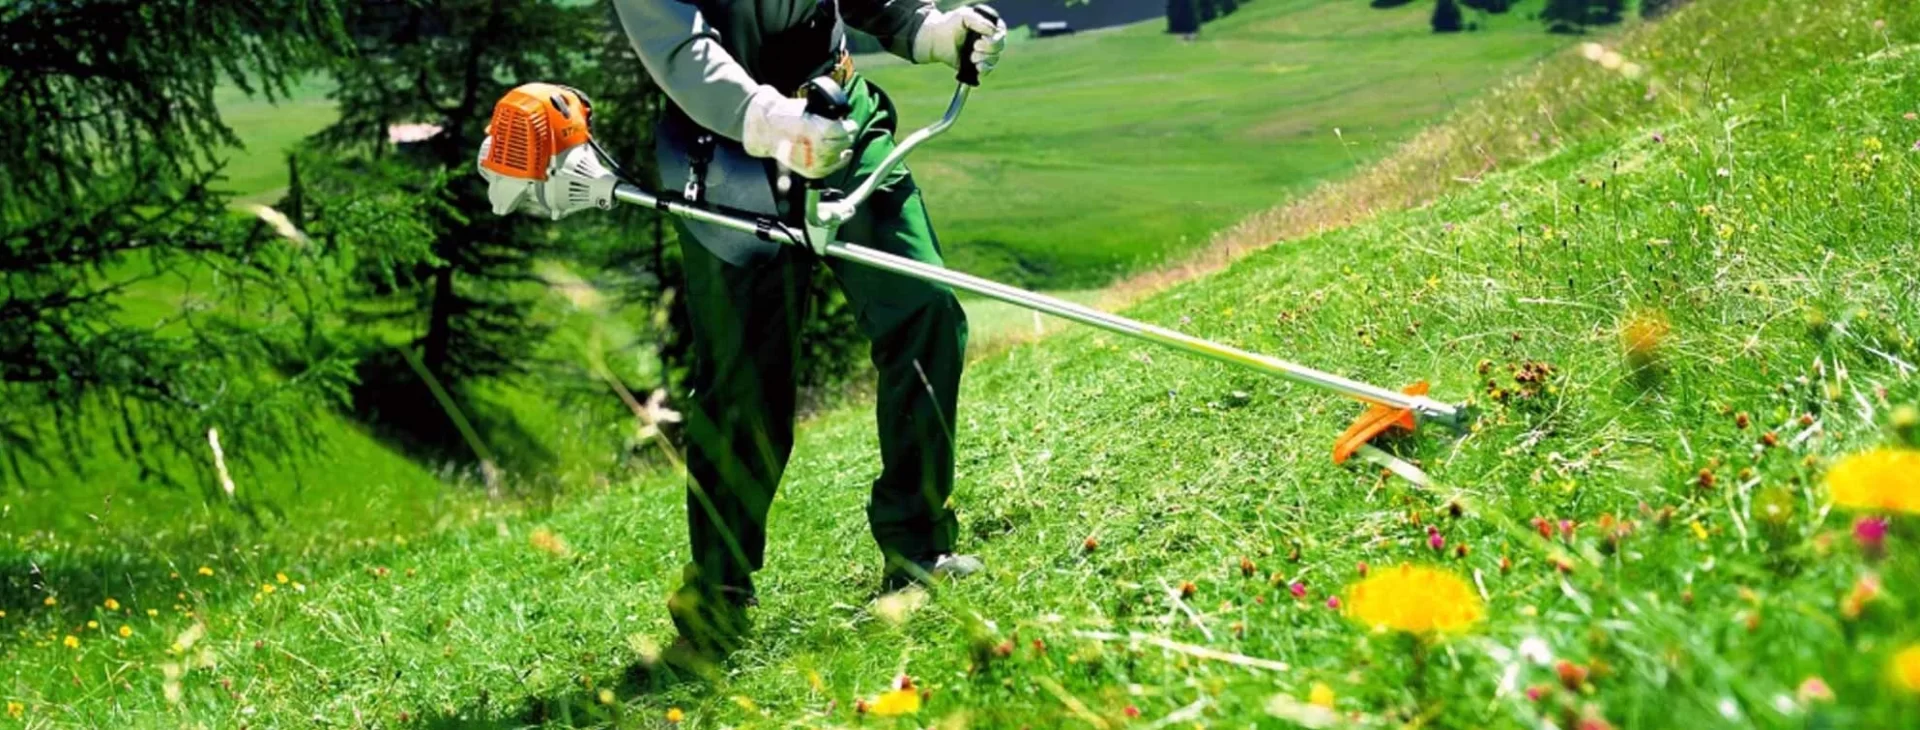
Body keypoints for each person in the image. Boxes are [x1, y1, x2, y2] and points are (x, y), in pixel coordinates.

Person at [610, 0, 1009, 660]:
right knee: (744, 385)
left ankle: (919, 549)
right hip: (727, 151)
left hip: (842, 116)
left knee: (925, 307)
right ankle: (717, 599)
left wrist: (929, 29)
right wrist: (771, 120)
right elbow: (680, 49)